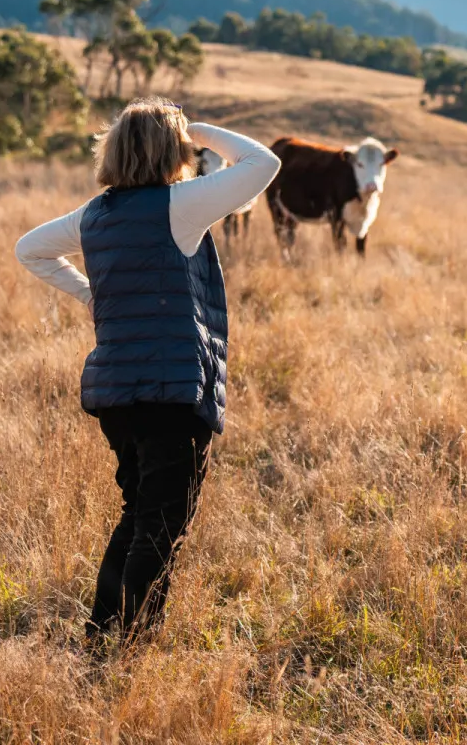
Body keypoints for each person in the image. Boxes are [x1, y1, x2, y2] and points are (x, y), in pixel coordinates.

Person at [15, 98, 280, 642]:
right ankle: (124, 641)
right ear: (174, 151)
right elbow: (263, 164)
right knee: (161, 526)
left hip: (115, 392)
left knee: (140, 515)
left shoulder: (94, 214)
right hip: (172, 391)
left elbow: (31, 249)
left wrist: (89, 293)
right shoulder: (179, 204)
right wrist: (199, 130)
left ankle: (106, 631)